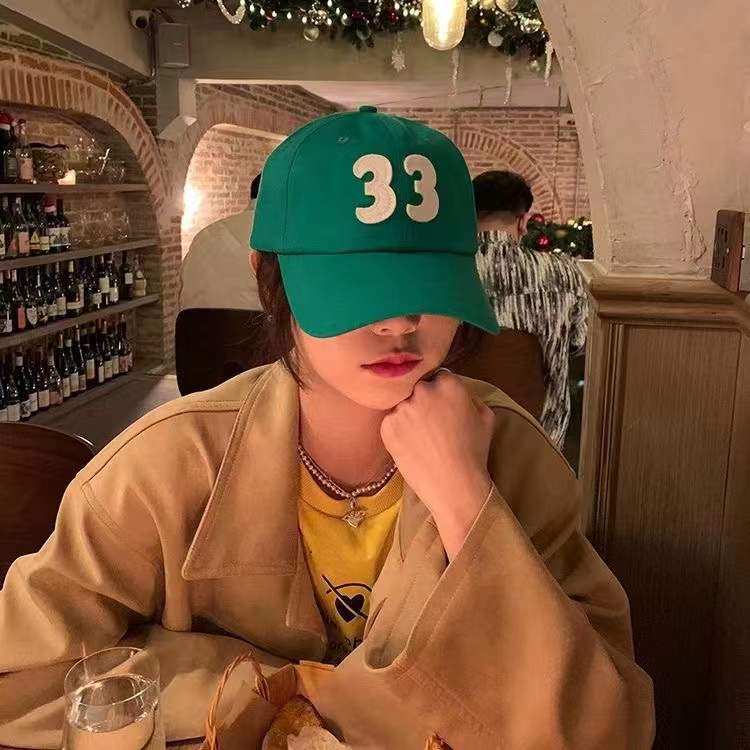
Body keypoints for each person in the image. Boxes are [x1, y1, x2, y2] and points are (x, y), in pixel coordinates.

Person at [0, 108, 654, 749]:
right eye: (355, 284)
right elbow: (23, 677)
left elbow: (606, 727)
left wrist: (467, 504)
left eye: (427, 281)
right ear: (267, 275)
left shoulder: (514, 457)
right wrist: (277, 699)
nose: (399, 322)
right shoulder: (163, 468)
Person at [473, 170, 590, 448]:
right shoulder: (563, 272)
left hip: (456, 430)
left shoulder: (447, 271)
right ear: (523, 221)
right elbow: (578, 341)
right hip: (540, 436)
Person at [179, 173, 262, 312]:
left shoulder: (204, 235)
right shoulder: (281, 238)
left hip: (194, 325)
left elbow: (181, 294)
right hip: (259, 325)